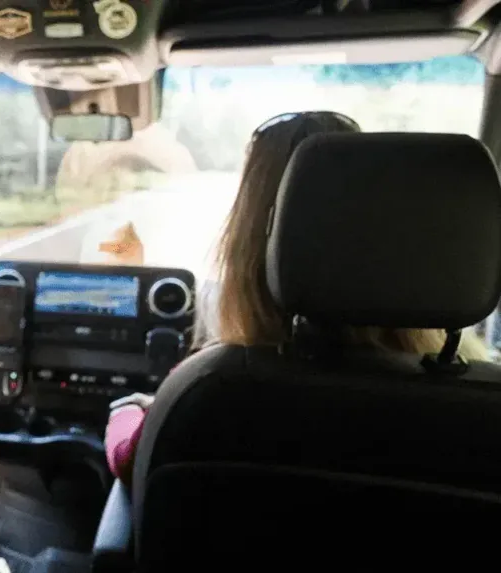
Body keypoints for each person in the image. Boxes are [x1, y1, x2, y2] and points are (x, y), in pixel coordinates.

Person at [103, 111, 492, 485]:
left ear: (249, 241)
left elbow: (127, 459)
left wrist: (131, 409)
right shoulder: (481, 403)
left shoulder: (208, 391)